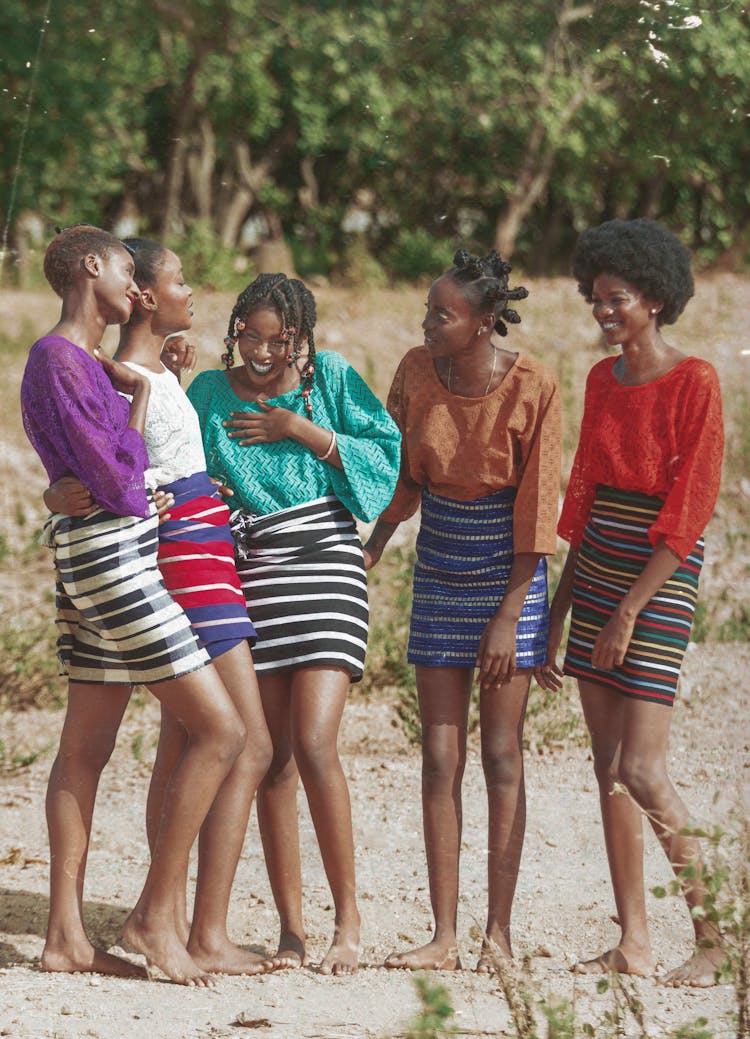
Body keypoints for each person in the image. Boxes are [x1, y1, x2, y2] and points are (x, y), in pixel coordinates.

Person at [20, 226, 248, 986]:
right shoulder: (62, 359)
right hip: (113, 561)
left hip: (100, 555)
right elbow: (120, 480)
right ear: (93, 267)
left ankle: (65, 939)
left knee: (85, 749)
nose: (134, 286)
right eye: (125, 269)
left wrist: (143, 398)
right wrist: (145, 398)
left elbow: (103, 469)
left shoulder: (83, 364)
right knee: (222, 728)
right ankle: (153, 916)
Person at [186, 273, 401, 975]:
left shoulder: (330, 377)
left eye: (282, 339)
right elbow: (186, 470)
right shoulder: (209, 395)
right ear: (235, 328)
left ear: (302, 338)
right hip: (253, 575)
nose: (264, 351)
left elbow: (385, 467)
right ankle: (291, 931)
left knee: (313, 743)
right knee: (273, 760)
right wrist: (210, 490)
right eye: (252, 334)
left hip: (327, 564)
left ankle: (349, 921)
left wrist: (299, 429)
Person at [536, 218, 725, 987]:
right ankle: (634, 941)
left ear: (653, 297)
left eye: (615, 298)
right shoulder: (600, 381)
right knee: (607, 767)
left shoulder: (697, 380)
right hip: (599, 566)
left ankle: (717, 939)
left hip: (659, 575)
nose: (603, 311)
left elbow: (691, 506)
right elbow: (582, 497)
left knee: (644, 768)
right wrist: (557, 610)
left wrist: (628, 610)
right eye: (596, 298)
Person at [364, 249, 561, 972]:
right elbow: (397, 471)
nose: (426, 323)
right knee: (439, 754)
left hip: (511, 575)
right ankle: (444, 936)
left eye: (441, 314)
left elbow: (539, 511)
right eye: (427, 310)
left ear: (482, 323)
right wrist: (374, 543)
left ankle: (497, 937)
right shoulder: (417, 371)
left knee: (502, 754)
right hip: (440, 565)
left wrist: (512, 616)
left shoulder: (535, 383)